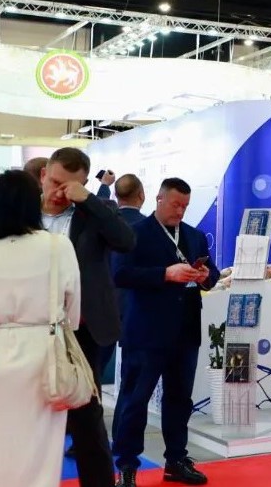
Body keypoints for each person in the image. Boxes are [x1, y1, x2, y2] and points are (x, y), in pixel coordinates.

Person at [0, 170, 81, 487]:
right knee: (38, 447)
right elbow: (73, 311)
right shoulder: (58, 246)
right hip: (41, 355)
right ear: (33, 203)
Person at [111, 178, 220, 486]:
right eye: (175, 205)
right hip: (146, 331)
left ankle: (176, 459)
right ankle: (126, 466)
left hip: (185, 331)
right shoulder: (136, 233)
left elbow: (213, 274)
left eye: (185, 206)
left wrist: (204, 275)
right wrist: (164, 274)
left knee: (179, 400)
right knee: (135, 400)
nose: (180, 211)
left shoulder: (194, 235)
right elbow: (120, 274)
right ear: (158, 199)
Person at [40, 147, 135, 486]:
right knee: (30, 415)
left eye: (70, 186)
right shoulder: (20, 213)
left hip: (81, 329)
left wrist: (89, 200)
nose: (59, 192)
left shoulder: (96, 212)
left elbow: (126, 241)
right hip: (31, 327)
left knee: (87, 417)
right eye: (55, 182)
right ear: (43, 175)